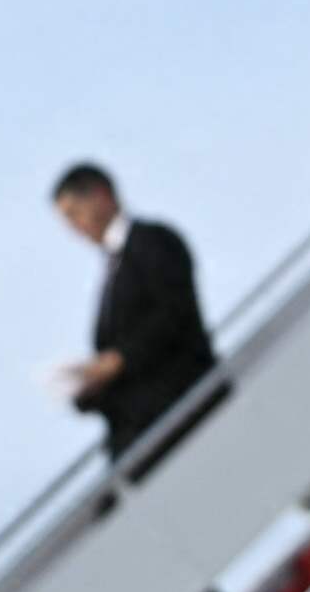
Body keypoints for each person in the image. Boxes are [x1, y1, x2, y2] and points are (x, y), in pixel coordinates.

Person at [48, 165, 213, 479]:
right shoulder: (114, 265)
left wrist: (117, 361)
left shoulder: (152, 242)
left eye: (73, 213)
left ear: (100, 196)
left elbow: (175, 314)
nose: (74, 228)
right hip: (135, 434)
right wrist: (87, 388)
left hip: (172, 419)